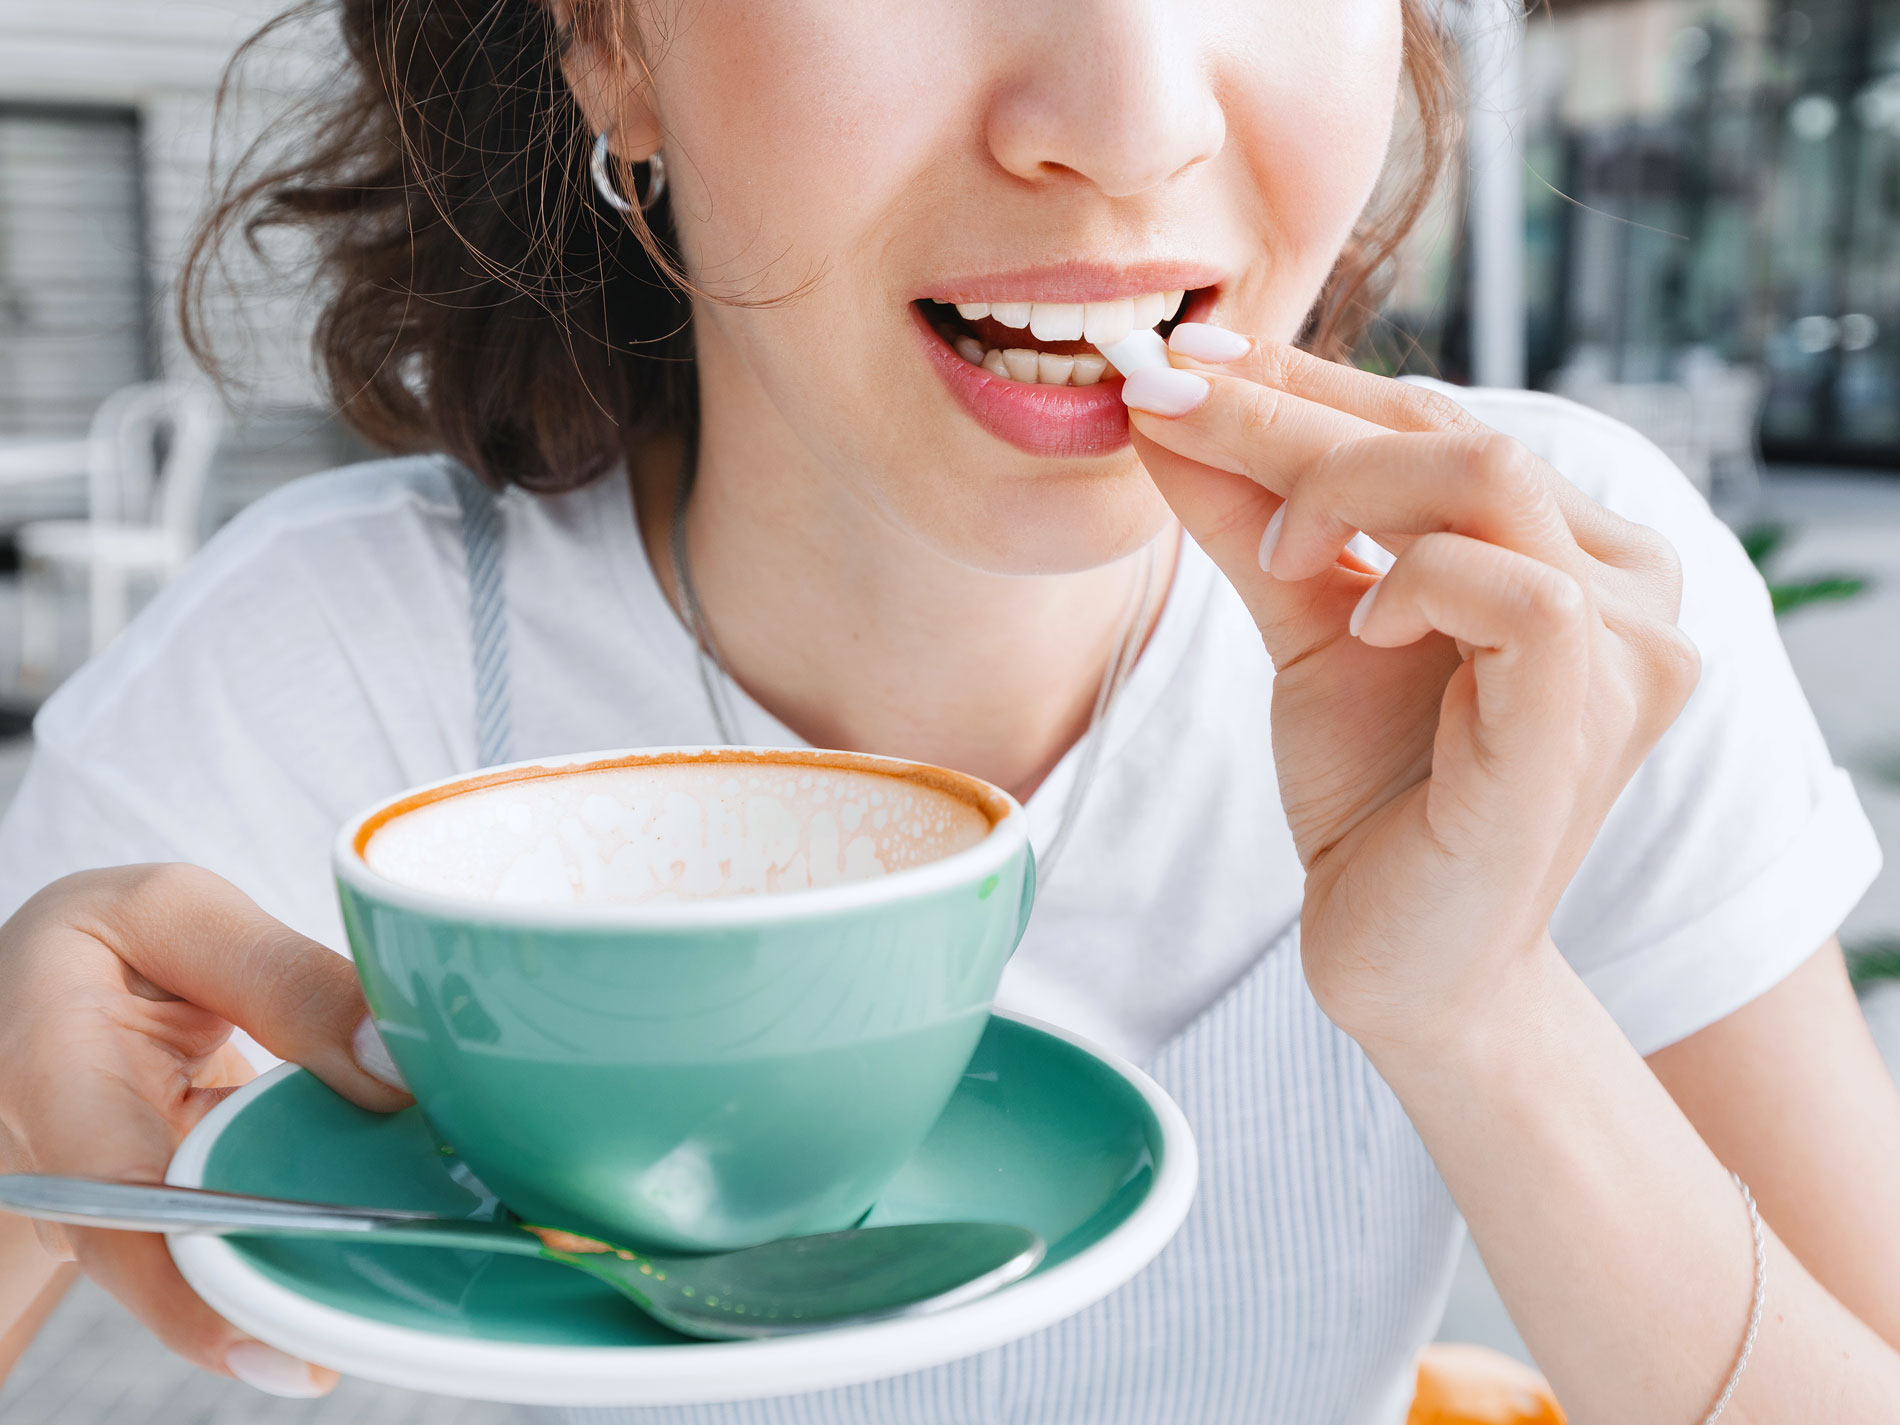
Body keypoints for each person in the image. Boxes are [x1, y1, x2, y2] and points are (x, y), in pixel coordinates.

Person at [1, 1, 1897, 1420]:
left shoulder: (1549, 609)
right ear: (610, 46)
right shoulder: (322, 672)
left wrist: (1485, 1018)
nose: (1129, 121)